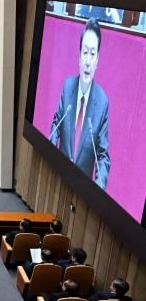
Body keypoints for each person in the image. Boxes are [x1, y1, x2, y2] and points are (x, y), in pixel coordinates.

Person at [49, 18, 109, 189]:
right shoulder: (68, 87)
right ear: (79, 56)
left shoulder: (103, 102)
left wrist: (99, 186)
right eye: (85, 52)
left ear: (97, 60)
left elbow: (103, 155)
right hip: (57, 179)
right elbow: (55, 125)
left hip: (82, 189)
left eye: (92, 54)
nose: (88, 61)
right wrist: (52, 157)